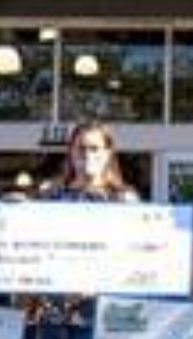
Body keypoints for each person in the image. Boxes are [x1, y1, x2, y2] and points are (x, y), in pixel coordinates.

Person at [36, 122, 140, 339]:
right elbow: (34, 247)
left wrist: (100, 284)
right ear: (71, 152)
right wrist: (14, 214)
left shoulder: (124, 201)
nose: (87, 154)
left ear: (108, 152)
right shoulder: (51, 196)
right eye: (81, 148)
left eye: (94, 148)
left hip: (103, 315)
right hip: (52, 315)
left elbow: (134, 256)